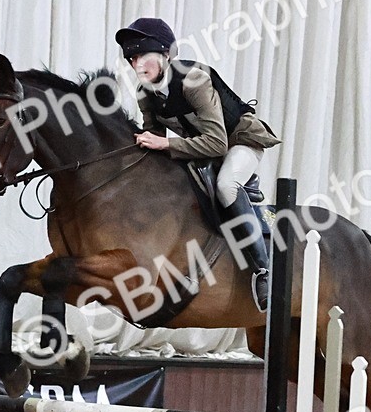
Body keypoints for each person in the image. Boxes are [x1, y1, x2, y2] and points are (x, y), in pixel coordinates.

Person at [115, 17, 281, 312]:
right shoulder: (145, 93)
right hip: (202, 150)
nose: (137, 64)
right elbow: (152, 133)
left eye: (144, 55)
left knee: (227, 185)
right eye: (132, 58)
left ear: (166, 55)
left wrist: (166, 144)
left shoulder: (194, 81)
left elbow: (218, 143)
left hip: (239, 141)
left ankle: (263, 269)